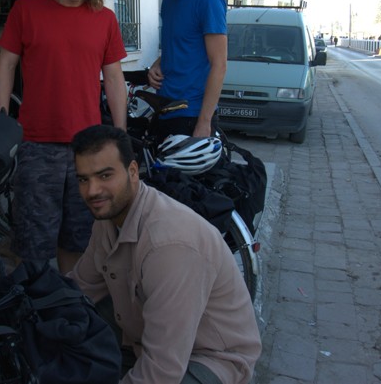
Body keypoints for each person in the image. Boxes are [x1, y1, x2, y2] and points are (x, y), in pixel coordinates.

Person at [69, 125, 262, 384]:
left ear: (133, 172)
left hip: (210, 356)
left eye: (105, 176)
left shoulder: (169, 245)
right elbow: (81, 287)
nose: (92, 191)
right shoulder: (108, 218)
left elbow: (162, 371)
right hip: (148, 332)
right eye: (84, 179)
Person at [0, 0, 127, 273]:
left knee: (78, 241)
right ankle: (35, 309)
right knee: (33, 245)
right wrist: (1, 118)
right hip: (36, 145)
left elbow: (113, 77)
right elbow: (6, 64)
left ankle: (69, 309)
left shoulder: (105, 19)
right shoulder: (27, 9)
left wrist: (120, 133)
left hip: (88, 149)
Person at [146, 0, 228, 139]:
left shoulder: (208, 0)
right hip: (165, 109)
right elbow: (180, 46)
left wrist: (204, 123)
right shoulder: (168, 1)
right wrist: (158, 64)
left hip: (192, 115)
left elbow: (219, 65)